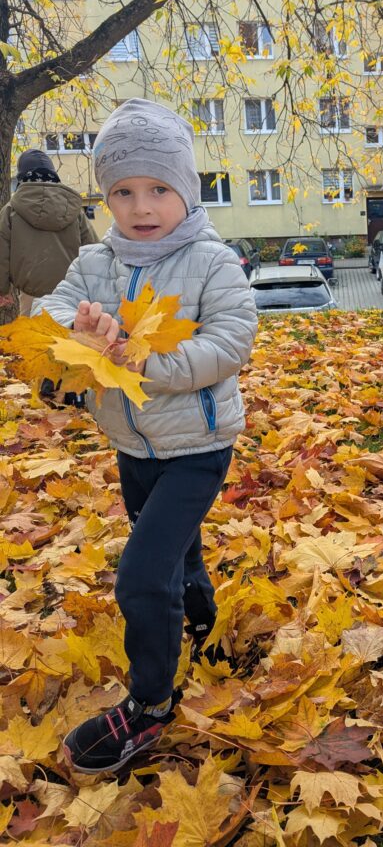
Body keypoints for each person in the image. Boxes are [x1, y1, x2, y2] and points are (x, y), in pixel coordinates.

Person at [33, 99, 258, 773]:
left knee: (141, 575)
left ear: (185, 188)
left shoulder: (212, 262)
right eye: (123, 192)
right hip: (133, 447)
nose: (141, 206)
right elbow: (54, 310)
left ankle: (150, 704)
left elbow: (230, 342)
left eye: (159, 188)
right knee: (178, 553)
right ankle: (202, 622)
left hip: (197, 449)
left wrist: (142, 363)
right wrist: (77, 332)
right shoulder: (94, 262)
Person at [0, 148, 98, 315]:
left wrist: (2, 289)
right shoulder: (73, 210)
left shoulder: (10, 210)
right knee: (69, 331)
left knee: (33, 331)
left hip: (30, 294)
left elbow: (1, 251)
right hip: (71, 293)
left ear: (22, 177)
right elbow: (93, 249)